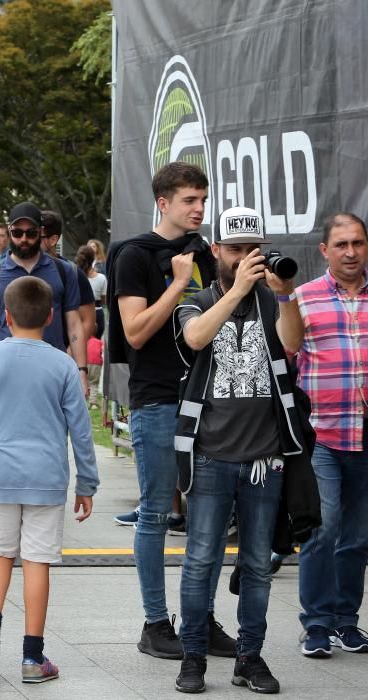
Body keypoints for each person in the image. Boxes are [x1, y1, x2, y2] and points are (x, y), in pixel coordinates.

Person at [0, 276, 99, 683]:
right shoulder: (61, 363)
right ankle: (32, 657)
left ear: (5, 316)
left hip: (0, 473)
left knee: (0, 554)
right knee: (37, 562)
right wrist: (87, 484)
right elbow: (81, 429)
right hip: (46, 477)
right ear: (48, 317)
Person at [172, 206, 305, 693]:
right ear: (217, 252)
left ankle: (250, 657)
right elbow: (194, 337)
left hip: (263, 459)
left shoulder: (273, 299)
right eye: (236, 250)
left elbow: (292, 344)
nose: (246, 258)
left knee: (256, 565)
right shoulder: (197, 301)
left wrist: (285, 296)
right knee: (200, 559)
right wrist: (237, 291)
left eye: (254, 250)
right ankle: (192, 658)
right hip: (208, 454)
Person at [109, 161, 234, 660]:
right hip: (158, 397)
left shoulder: (206, 253)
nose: (199, 208)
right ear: (164, 203)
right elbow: (136, 331)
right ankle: (156, 623)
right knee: (157, 512)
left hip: (209, 397)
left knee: (208, 516)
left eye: (203, 199)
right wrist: (175, 283)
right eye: (189, 200)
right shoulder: (135, 255)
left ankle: (199, 618)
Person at [293, 212, 368, 657]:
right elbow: (283, 356)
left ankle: (346, 621)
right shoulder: (303, 298)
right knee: (323, 529)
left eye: (358, 243)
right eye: (341, 245)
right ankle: (316, 623)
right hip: (321, 435)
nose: (351, 252)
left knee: (358, 537)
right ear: (325, 250)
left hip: (366, 438)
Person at [0, 202, 88, 394]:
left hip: (53, 372)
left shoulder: (64, 271)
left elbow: (74, 323)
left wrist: (82, 371)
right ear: (10, 232)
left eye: (31, 233)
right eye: (18, 233)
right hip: (5, 373)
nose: (24, 239)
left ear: (40, 232)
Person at [41, 210, 96, 344]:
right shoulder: (20, 269)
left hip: (62, 357)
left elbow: (88, 321)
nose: (29, 239)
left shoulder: (71, 272)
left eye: (36, 235)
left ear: (53, 239)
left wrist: (69, 355)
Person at [76, 244, 107, 339]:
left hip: (77, 314)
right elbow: (104, 300)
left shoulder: (73, 276)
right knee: (94, 346)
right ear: (93, 259)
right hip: (97, 314)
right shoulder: (101, 278)